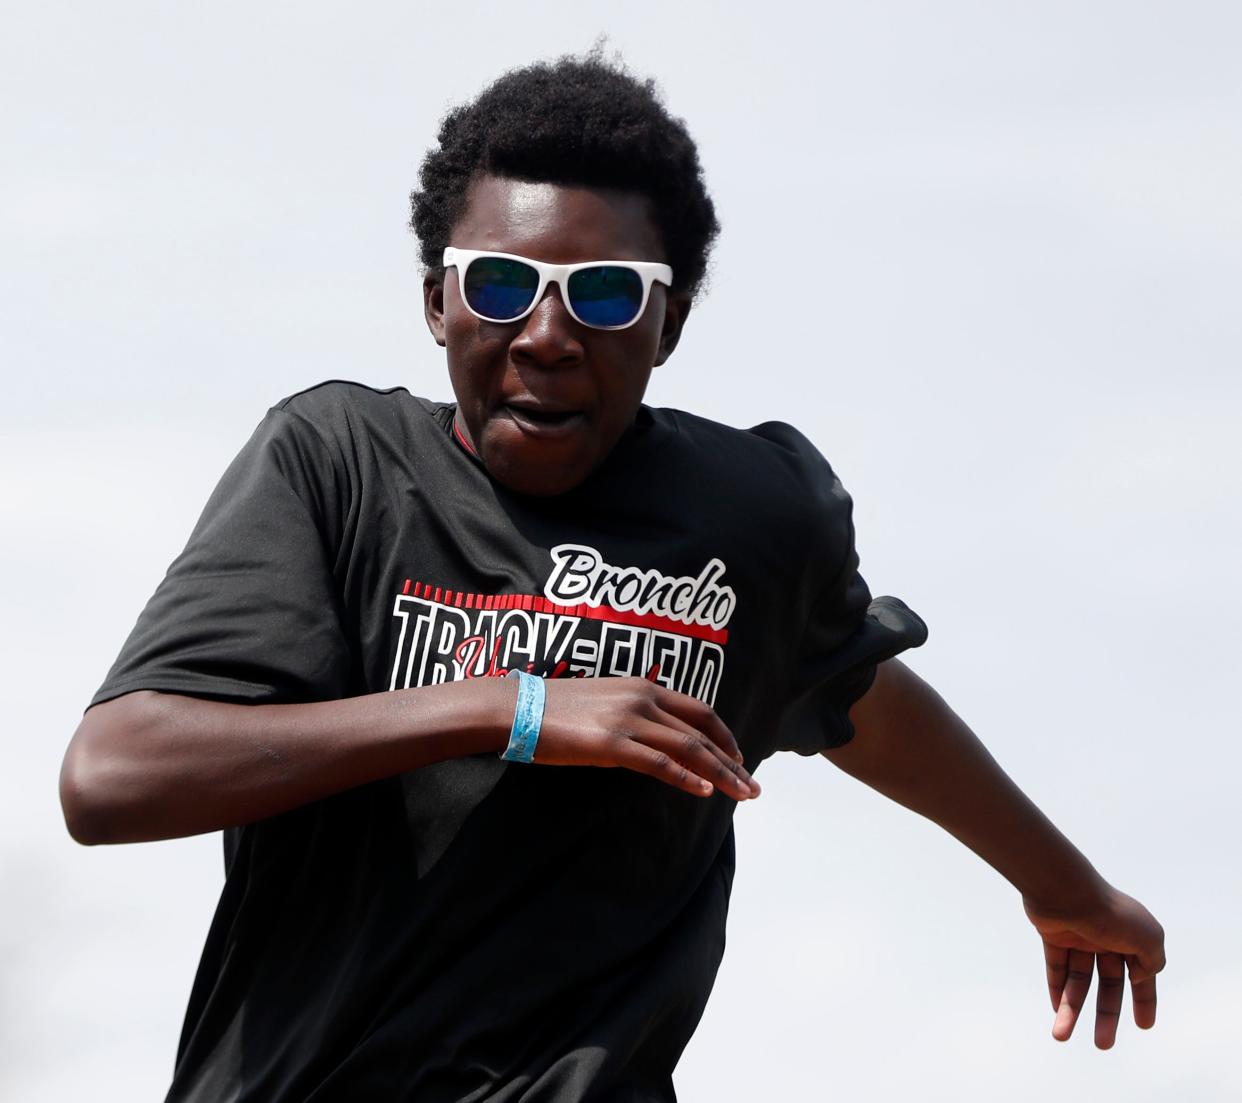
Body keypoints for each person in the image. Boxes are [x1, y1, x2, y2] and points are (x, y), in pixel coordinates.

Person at [60, 52, 1165, 1103]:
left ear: (667, 320)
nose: (545, 336)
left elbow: (853, 691)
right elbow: (115, 774)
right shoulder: (336, 467)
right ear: (439, 303)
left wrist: (1061, 881)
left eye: (602, 295)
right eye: (500, 285)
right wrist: (515, 706)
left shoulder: (750, 516)